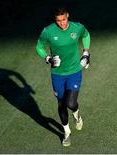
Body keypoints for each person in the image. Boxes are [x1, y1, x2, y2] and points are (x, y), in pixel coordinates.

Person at [36, 7, 90, 147]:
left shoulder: (77, 27)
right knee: (61, 103)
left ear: (68, 16)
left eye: (64, 19)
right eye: (58, 21)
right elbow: (39, 47)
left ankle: (77, 115)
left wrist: (85, 52)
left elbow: (86, 35)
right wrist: (48, 58)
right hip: (57, 75)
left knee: (71, 103)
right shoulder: (48, 31)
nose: (62, 23)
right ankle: (66, 133)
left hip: (74, 72)